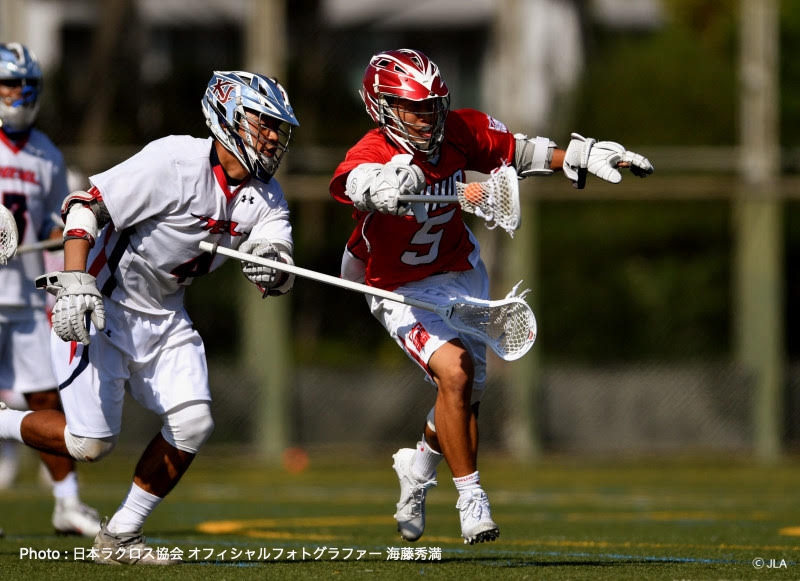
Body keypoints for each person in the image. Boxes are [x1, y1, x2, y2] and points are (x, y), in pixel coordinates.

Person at [329, 48, 654, 545]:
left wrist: (579, 156)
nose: (426, 117)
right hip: (396, 284)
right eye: (414, 108)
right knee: (455, 373)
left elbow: (518, 152)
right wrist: (377, 186)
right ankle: (471, 498)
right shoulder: (372, 152)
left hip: (461, 269)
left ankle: (418, 468)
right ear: (382, 107)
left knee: (466, 394)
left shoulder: (458, 130)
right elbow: (350, 180)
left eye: (432, 105)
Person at [0, 70, 299, 564]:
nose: (271, 136)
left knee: (194, 422)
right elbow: (84, 208)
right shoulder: (174, 161)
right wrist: (75, 282)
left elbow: (279, 261)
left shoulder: (267, 196)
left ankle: (120, 536)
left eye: (277, 127)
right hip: (102, 308)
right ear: (227, 115)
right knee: (89, 444)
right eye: (262, 122)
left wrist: (273, 268)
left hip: (166, 317)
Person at [0, 42, 101, 537]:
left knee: (45, 398)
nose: (19, 93)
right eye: (9, 83)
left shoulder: (47, 153)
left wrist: (63, 235)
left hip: (21, 296)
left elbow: (50, 224)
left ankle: (67, 502)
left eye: (27, 85)